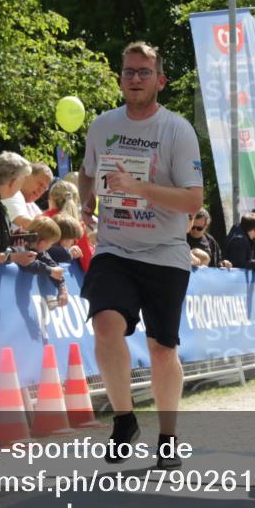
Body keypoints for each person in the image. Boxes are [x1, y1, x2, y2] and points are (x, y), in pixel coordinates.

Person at [77, 41, 204, 469]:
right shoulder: (102, 125)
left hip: (165, 253)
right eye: (129, 72)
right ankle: (124, 418)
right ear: (120, 79)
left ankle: (168, 436)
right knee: (105, 324)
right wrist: (84, 205)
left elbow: (192, 201)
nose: (134, 79)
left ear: (160, 81)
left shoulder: (177, 130)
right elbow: (88, 171)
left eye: (143, 72)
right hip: (115, 247)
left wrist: (138, 189)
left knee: (161, 348)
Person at [5, 161, 53, 230]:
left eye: (44, 189)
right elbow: (24, 223)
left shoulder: (31, 205)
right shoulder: (13, 194)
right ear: (27, 175)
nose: (41, 191)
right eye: (40, 184)